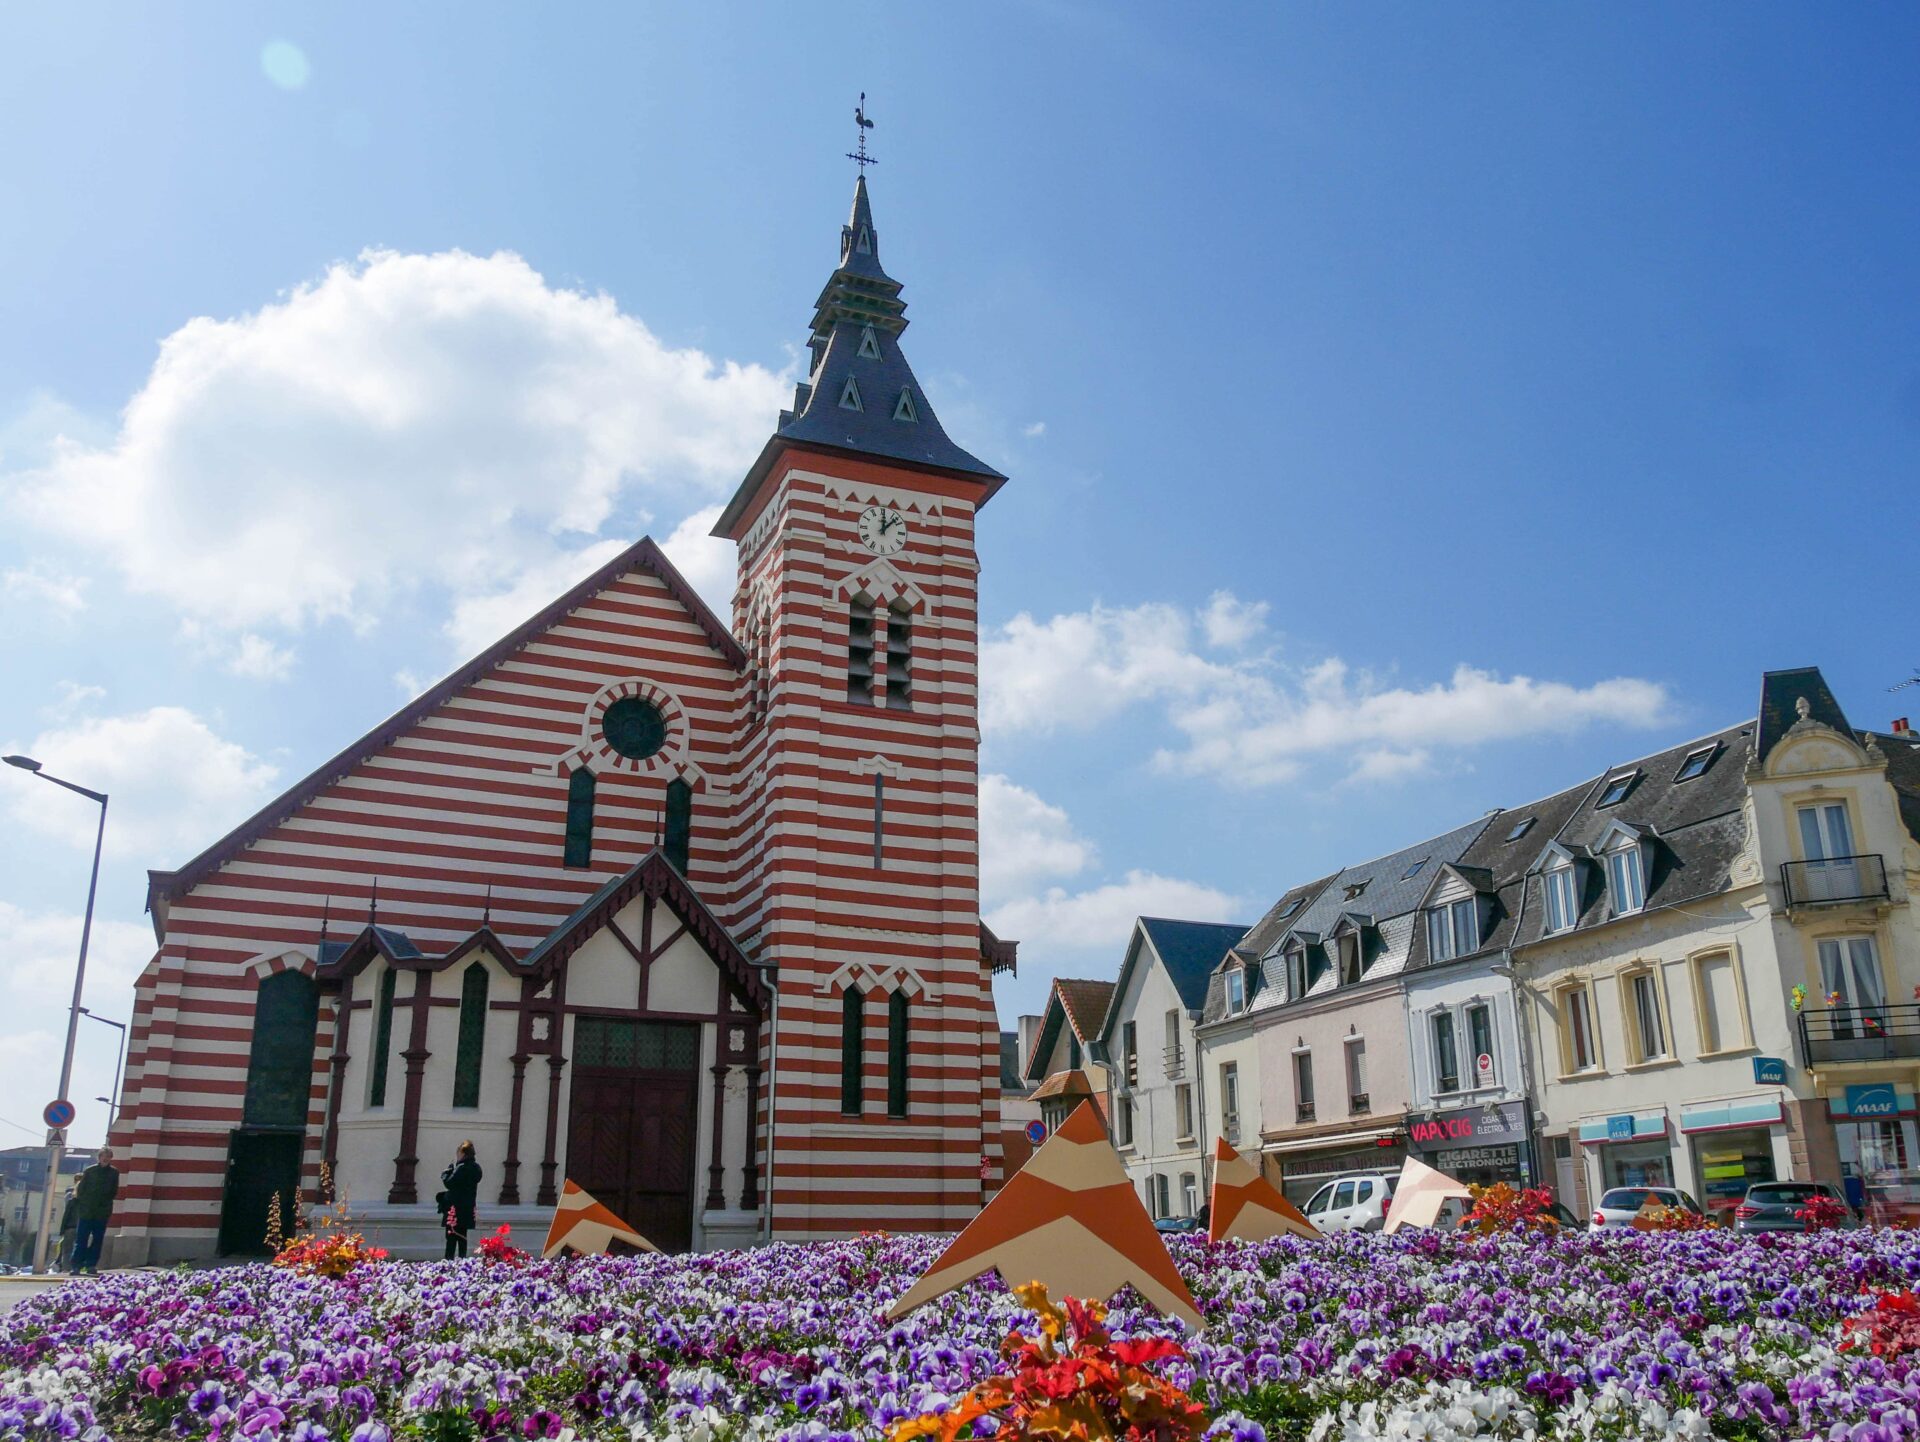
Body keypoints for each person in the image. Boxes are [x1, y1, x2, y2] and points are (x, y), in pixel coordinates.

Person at [70, 1148, 119, 1274]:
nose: (105, 1158)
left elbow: (114, 1191)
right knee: (81, 1239)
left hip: (101, 1213)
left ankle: (91, 1265)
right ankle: (76, 1265)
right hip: (86, 1211)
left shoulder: (114, 1173)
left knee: (98, 1240)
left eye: (108, 1156)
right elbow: (81, 1190)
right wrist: (85, 1204)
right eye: (104, 1156)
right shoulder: (90, 1171)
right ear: (99, 1157)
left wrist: (105, 1204)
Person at [439, 1141, 481, 1260]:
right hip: (467, 1207)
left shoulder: (461, 1168)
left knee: (451, 1236)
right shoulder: (476, 1168)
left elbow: (450, 1183)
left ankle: (449, 1260)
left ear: (463, 1153)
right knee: (463, 1236)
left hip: (455, 1207)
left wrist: (446, 1173)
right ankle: (462, 1260)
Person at [55, 1187, 78, 1271]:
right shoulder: (86, 1202)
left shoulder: (71, 1200)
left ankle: (66, 1268)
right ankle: (75, 1267)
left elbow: (66, 1215)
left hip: (70, 1227)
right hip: (80, 1228)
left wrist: (62, 1229)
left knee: (67, 1250)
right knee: (76, 1248)